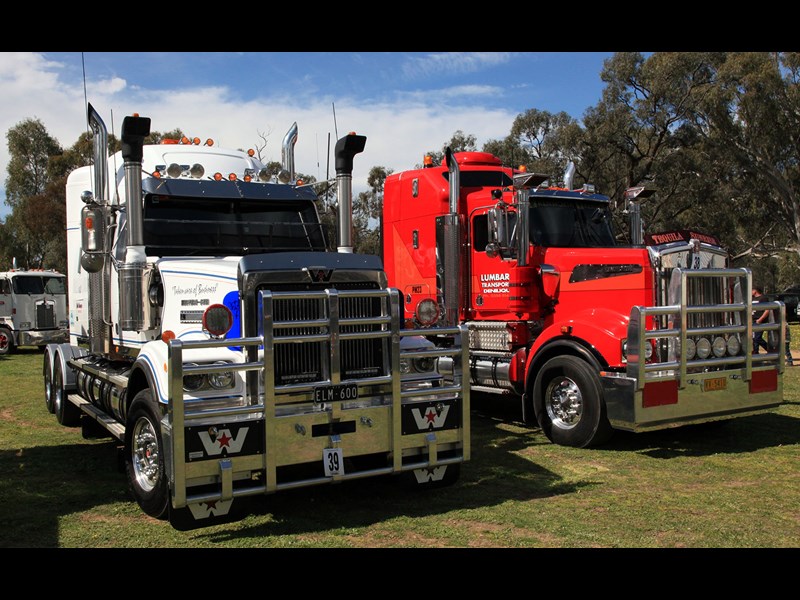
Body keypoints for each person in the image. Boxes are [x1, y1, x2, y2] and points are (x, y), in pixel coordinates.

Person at [752, 287, 770, 354]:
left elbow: (767, 310)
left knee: (757, 338)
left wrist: (760, 319)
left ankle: (770, 350)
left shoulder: (763, 298)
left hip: (760, 321)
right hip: (753, 320)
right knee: (754, 339)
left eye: (751, 290)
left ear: (755, 290)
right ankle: (755, 353)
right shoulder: (752, 299)